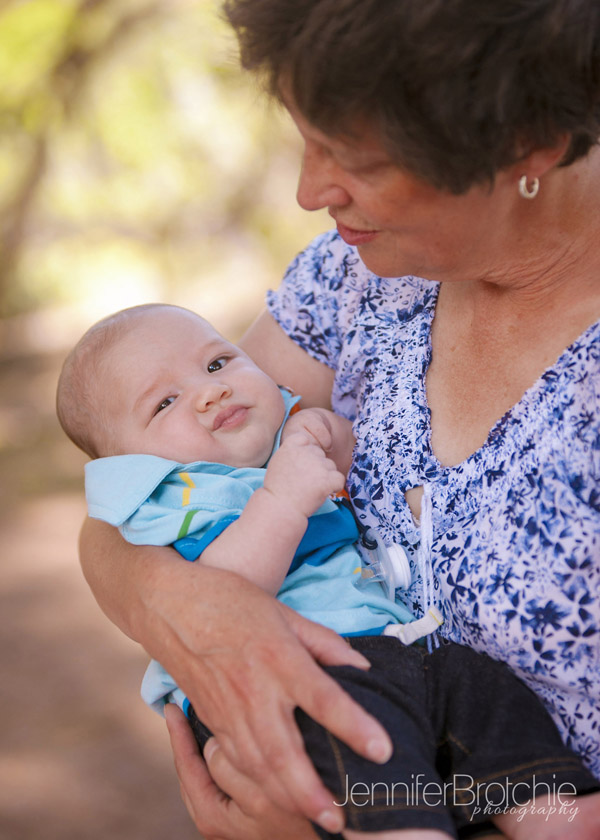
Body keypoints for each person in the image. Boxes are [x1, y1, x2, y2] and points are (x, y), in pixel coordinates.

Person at [77, 1, 600, 838]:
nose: (308, 191)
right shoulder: (356, 273)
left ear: (528, 142)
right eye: (305, 138)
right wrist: (183, 609)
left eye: (357, 157)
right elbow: (122, 505)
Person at [57, 302, 597, 840]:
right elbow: (217, 599)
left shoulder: (282, 434)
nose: (210, 391)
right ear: (127, 465)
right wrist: (282, 500)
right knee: (358, 740)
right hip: (290, 676)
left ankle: (546, 812)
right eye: (165, 403)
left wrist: (329, 435)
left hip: (399, 648)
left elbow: (361, 464)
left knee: (477, 689)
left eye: (218, 363)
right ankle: (399, 830)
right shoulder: (174, 499)